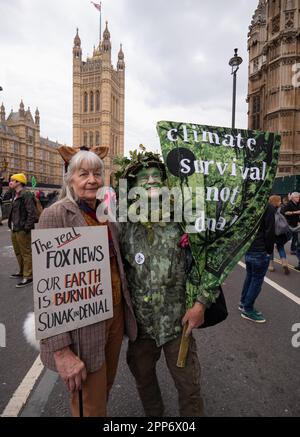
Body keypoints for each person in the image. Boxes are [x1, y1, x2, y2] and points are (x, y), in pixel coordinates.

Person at [37, 146, 137, 417]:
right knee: (89, 404)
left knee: (103, 389)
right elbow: (48, 290)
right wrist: (62, 351)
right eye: (83, 174)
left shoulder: (105, 214)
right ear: (70, 179)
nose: (92, 179)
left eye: (97, 173)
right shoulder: (56, 215)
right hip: (82, 325)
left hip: (113, 316)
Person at [117, 149, 217, 417]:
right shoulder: (122, 225)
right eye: (143, 178)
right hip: (140, 328)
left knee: (189, 386)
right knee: (144, 381)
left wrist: (201, 304)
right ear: (132, 187)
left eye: (156, 176)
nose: (150, 181)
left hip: (177, 324)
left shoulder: (184, 220)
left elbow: (209, 264)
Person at [239, 203, 275, 323]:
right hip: (261, 249)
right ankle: (248, 309)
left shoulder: (249, 203)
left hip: (249, 246)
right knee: (256, 280)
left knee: (250, 276)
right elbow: (270, 230)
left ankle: (243, 303)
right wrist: (269, 251)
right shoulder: (267, 207)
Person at [8, 173, 37, 287]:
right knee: (18, 252)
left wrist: (26, 228)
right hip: (14, 228)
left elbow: (31, 212)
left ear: (19, 182)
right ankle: (22, 271)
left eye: (13, 180)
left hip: (22, 229)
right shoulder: (14, 194)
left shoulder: (26, 194)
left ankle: (28, 276)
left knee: (26, 253)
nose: (10, 182)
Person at [268, 195, 290, 275]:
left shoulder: (268, 209)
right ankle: (284, 263)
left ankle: (270, 265)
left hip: (271, 232)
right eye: (279, 200)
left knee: (270, 248)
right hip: (280, 232)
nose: (280, 202)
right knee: (280, 247)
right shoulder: (282, 209)